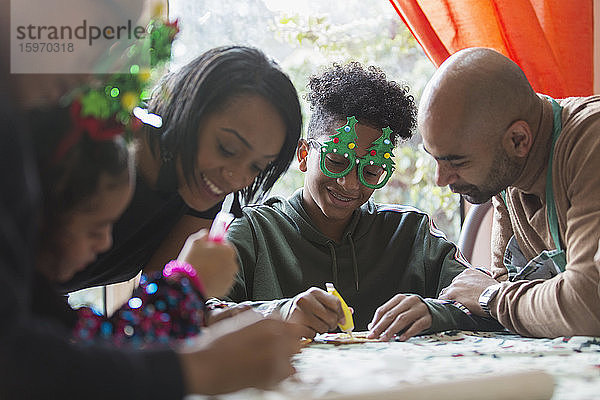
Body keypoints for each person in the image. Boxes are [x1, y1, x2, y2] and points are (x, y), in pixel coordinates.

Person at [220, 62, 501, 340]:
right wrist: (279, 313)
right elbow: (194, 315)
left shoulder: (411, 235)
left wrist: (435, 312)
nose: (350, 184)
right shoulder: (254, 232)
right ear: (304, 155)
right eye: (336, 161)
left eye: (370, 171)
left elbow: (492, 303)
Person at [62, 45, 303, 292]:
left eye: (257, 166)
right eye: (227, 149)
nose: (236, 177)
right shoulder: (96, 140)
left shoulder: (204, 189)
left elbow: (163, 305)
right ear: (188, 110)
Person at [418, 47, 600, 338]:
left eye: (457, 161)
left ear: (518, 140)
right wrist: (434, 312)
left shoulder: (591, 144)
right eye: (435, 157)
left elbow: (587, 306)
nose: (441, 179)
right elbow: (510, 301)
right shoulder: (507, 179)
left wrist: (491, 296)